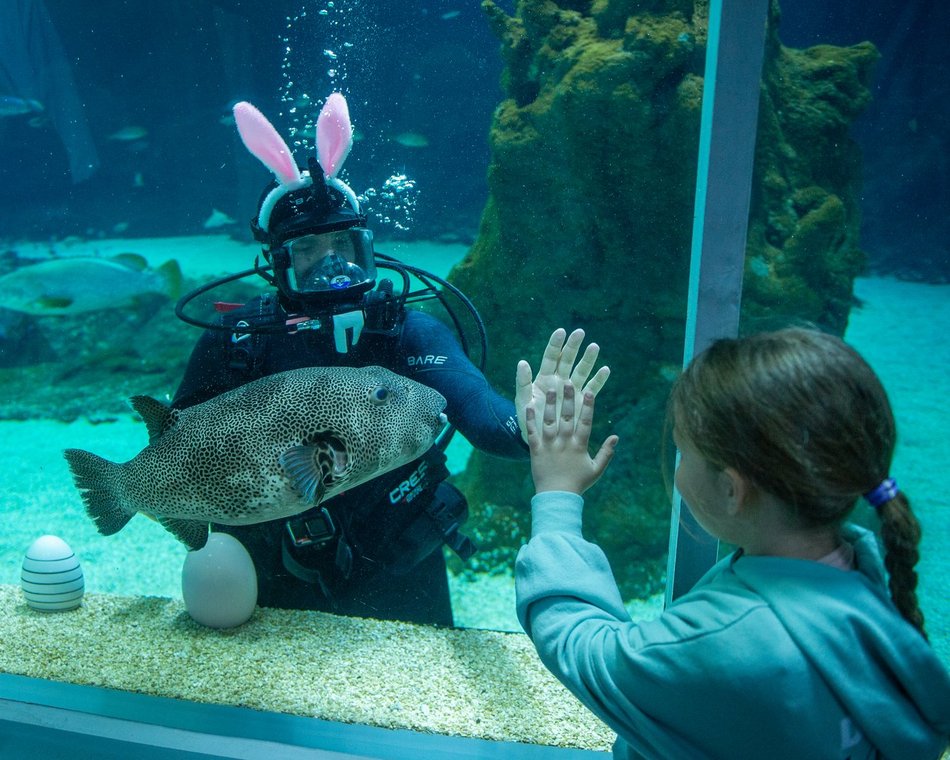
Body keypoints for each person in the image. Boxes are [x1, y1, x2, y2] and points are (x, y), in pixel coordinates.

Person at [173, 95, 608, 627]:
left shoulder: (403, 333)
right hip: (268, 565)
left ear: (367, 250)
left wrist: (534, 429)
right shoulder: (237, 341)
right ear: (274, 262)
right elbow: (172, 446)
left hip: (398, 558)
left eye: (344, 245)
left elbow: (483, 416)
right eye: (306, 252)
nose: (329, 264)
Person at [516, 327, 950, 758]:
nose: (679, 468)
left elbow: (582, 646)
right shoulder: (868, 574)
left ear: (731, 490)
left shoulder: (733, 642)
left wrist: (557, 492)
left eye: (683, 452)